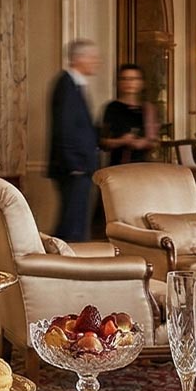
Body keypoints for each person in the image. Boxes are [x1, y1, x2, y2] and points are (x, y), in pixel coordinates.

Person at [47, 39, 101, 242]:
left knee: (76, 222)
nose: (96, 62)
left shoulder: (75, 85)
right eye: (93, 57)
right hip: (73, 168)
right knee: (71, 226)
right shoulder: (66, 85)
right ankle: (61, 266)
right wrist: (74, 165)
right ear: (80, 58)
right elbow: (64, 128)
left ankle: (66, 264)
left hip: (80, 167)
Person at [101, 63, 159, 167]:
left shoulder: (148, 108)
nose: (129, 83)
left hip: (143, 166)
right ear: (119, 82)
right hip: (118, 167)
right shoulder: (112, 107)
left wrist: (144, 143)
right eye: (125, 79)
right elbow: (103, 142)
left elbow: (155, 142)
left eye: (133, 79)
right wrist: (122, 141)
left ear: (141, 83)